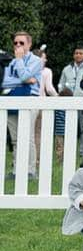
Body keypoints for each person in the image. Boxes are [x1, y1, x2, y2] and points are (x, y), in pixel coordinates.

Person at [3, 31, 43, 179]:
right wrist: (23, 79)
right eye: (16, 43)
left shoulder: (36, 61)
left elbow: (25, 75)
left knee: (28, 136)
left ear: (29, 44)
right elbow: (5, 81)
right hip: (13, 99)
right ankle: (16, 170)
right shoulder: (11, 61)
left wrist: (20, 62)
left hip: (30, 99)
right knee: (15, 138)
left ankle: (30, 170)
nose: (18, 45)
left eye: (22, 43)